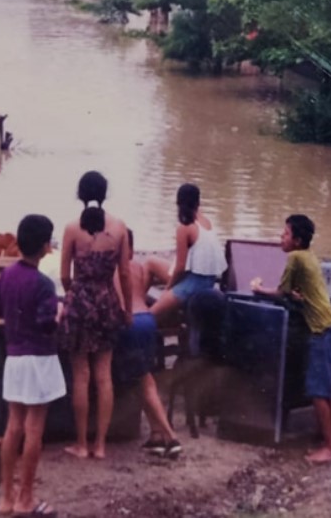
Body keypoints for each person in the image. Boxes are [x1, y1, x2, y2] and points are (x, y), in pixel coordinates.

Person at [0, 215, 66, 518]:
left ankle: (6, 498)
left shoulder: (6, 275)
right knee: (34, 429)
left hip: (14, 357)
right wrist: (60, 313)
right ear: (46, 246)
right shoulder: (44, 284)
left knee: (13, 427)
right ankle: (27, 499)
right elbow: (47, 324)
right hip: (39, 357)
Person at [253, 215, 331, 463]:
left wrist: (259, 287)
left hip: (321, 332)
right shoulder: (310, 257)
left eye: (285, 234)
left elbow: (281, 293)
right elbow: (303, 293)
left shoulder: (294, 258)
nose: (281, 237)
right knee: (329, 391)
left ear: (297, 240)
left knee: (317, 391)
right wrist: (295, 296)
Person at [59, 171, 132, 460]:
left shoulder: (72, 229)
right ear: (105, 194)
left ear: (80, 194)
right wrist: (126, 309)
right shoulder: (119, 228)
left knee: (81, 376)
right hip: (107, 301)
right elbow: (125, 274)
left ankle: (81, 443)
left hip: (80, 302)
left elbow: (65, 275)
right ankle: (100, 445)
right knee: (104, 376)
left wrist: (75, 294)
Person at [120, 230, 182, 458]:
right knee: (143, 379)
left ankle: (171, 436)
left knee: (144, 382)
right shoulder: (139, 267)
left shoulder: (115, 269)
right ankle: (156, 435)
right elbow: (173, 275)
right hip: (147, 320)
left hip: (132, 323)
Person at [150, 183, 227, 325]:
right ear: (198, 202)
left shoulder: (184, 228)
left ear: (179, 203)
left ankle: (140, 310)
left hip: (193, 284)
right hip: (207, 280)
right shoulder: (206, 222)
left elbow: (180, 268)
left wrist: (168, 288)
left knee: (150, 316)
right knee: (151, 262)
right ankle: (140, 304)